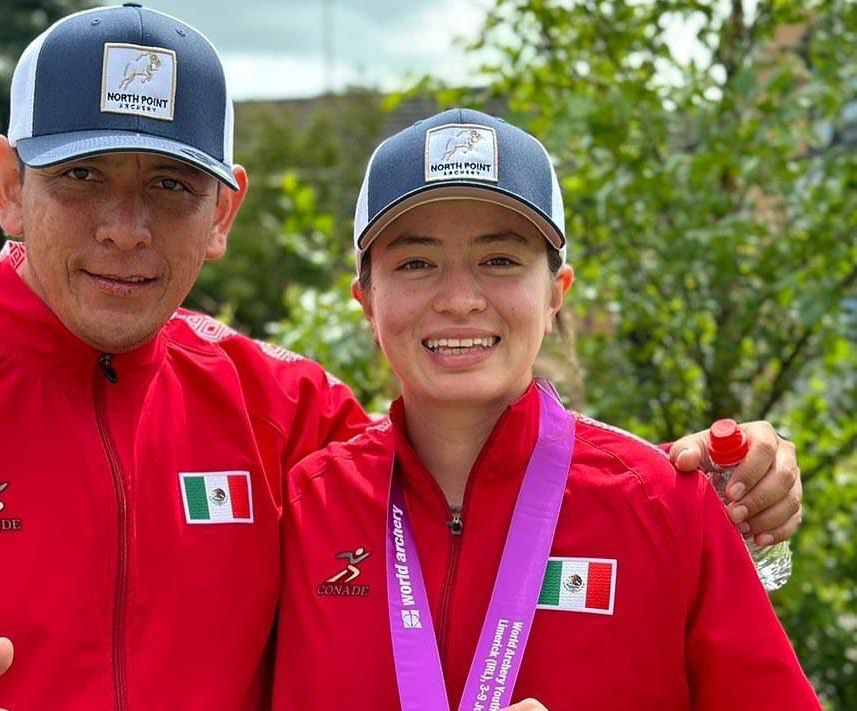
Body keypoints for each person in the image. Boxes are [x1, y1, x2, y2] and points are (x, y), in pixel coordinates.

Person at [0, 6, 802, 710]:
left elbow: (486, 485)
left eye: (170, 189)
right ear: (8, 185)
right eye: (84, 179)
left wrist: (693, 483)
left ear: (224, 210)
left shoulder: (284, 413)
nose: (127, 230)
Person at [271, 109, 819, 711]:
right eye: (416, 263)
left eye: (500, 260)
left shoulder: (665, 507)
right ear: (366, 301)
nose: (459, 299)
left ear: (556, 295)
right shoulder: (303, 511)